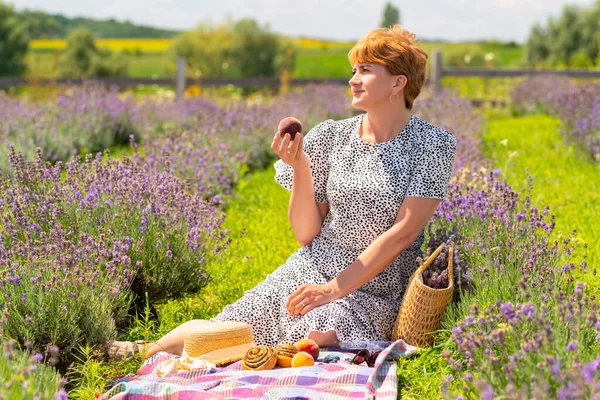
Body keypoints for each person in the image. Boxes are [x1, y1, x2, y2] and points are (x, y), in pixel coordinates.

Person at [110, 23, 457, 359]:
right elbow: (306, 233)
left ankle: (262, 359)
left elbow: (403, 233)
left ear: (398, 82)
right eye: (353, 70)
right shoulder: (330, 136)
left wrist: (333, 289)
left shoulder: (432, 144)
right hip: (309, 269)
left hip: (373, 288)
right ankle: (147, 351)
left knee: (318, 334)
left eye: (364, 70)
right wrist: (300, 167)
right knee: (230, 329)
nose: (352, 80)